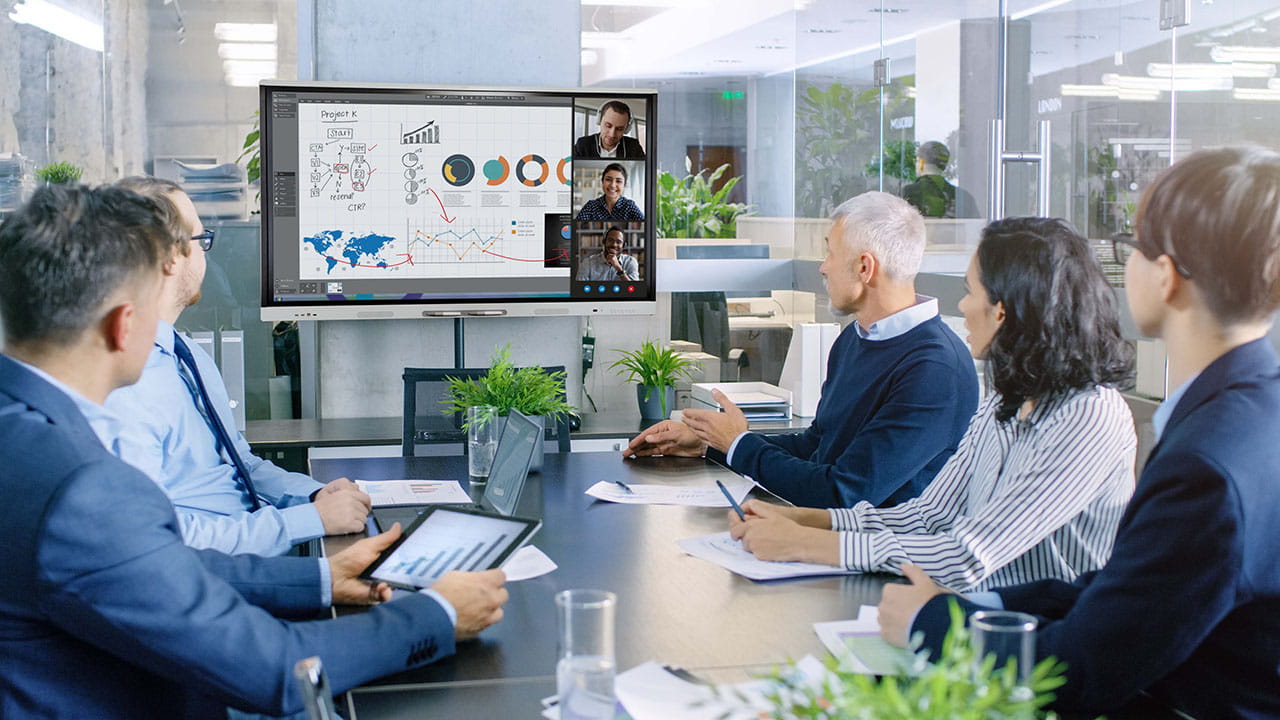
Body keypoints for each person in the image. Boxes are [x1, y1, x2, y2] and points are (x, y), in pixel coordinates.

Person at [0, 184, 509, 718]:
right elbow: (276, 670)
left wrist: (316, 580)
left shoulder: (24, 432)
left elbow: (147, 571)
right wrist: (437, 614)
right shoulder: (83, 490)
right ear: (124, 326)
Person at [881, 147, 1280, 717]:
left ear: (1166, 277)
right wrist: (981, 603)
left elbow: (1081, 669)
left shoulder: (1207, 464)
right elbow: (1131, 588)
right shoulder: (1247, 411)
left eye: (1131, 250)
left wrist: (936, 624)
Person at [729, 216, 1137, 592]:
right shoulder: (1008, 398)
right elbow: (927, 517)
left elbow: (968, 555)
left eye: (971, 292)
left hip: (1040, 642)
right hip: (973, 614)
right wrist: (803, 519)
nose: (961, 306)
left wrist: (809, 544)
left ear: (1005, 311)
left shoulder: (1089, 415)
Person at [626, 192, 978, 509]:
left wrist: (738, 445)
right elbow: (818, 447)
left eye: (829, 252)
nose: (822, 267)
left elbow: (843, 492)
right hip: (832, 543)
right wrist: (712, 444)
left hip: (888, 567)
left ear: (864, 267)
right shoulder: (856, 339)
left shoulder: (935, 368)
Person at [95, 176, 369, 556]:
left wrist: (314, 494)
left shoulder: (186, 354)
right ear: (170, 258)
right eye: (200, 239)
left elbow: (240, 465)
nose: (206, 253)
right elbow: (162, 540)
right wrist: (312, 520)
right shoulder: (125, 388)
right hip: (221, 577)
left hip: (256, 550)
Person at [901, 141, 977, 219]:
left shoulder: (908, 193)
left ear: (921, 162)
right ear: (944, 166)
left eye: (916, 161)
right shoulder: (963, 197)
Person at [573, 100, 645, 159]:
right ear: (599, 121)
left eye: (619, 129)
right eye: (608, 126)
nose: (612, 134)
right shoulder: (582, 145)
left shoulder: (634, 147)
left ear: (627, 129)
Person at [576, 163, 644, 221]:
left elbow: (647, 225)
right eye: (608, 179)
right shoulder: (591, 206)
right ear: (602, 181)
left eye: (618, 181)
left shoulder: (629, 206)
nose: (612, 185)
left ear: (624, 185)